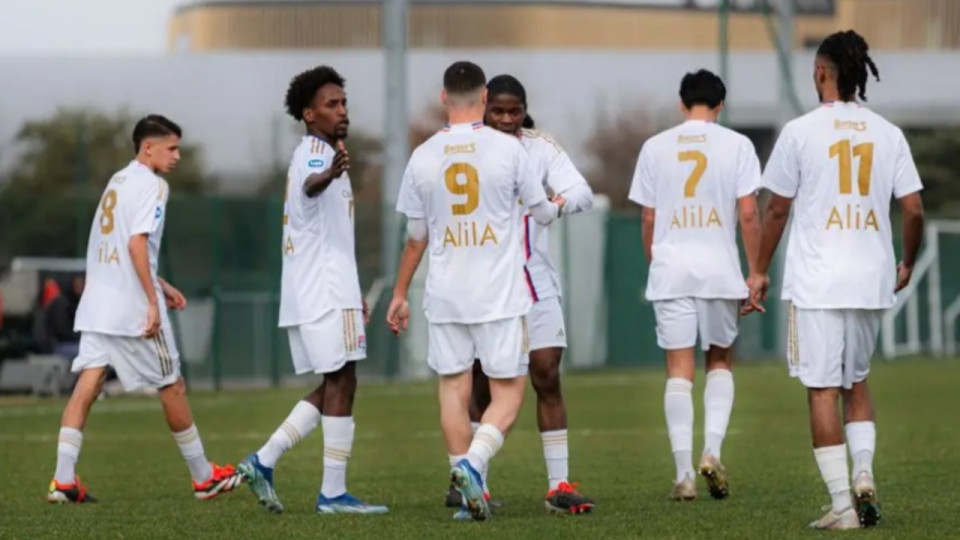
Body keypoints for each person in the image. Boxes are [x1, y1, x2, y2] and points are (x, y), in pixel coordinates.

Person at [748, 30, 925, 530]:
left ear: (821, 72)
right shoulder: (888, 133)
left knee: (822, 388)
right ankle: (864, 472)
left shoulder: (800, 131)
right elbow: (912, 208)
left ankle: (843, 506)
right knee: (858, 382)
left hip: (818, 280)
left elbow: (777, 208)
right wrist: (907, 260)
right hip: (871, 277)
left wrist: (759, 270)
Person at [387, 61, 565, 521]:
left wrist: (399, 293)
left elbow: (415, 237)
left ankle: (466, 490)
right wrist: (557, 204)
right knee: (508, 393)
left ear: (444, 98)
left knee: (453, 388)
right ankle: (472, 465)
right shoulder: (509, 152)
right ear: (485, 98)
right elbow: (542, 213)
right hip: (499, 294)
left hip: (445, 294)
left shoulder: (423, 155)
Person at [47, 115, 243, 503]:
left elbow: (120, 245)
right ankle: (204, 477)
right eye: (171, 148)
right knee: (171, 384)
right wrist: (152, 301)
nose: (177, 156)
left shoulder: (117, 181)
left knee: (88, 384)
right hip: (130, 307)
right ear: (148, 147)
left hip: (99, 303)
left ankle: (63, 480)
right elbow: (136, 244)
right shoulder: (154, 186)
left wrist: (161, 284)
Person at [237, 65, 387, 515]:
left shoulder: (314, 150)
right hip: (323, 288)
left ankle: (264, 461)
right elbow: (311, 185)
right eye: (331, 105)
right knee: (344, 380)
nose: (342, 112)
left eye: (344, 103)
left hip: (319, 287)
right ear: (308, 113)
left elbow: (328, 228)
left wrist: (354, 289)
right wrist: (334, 172)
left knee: (336, 380)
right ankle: (333, 494)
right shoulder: (318, 155)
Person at [451, 74, 595, 515]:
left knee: (547, 372)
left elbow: (582, 192)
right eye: (499, 110)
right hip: (484, 285)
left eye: (515, 110)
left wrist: (555, 206)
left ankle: (558, 486)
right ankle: (473, 485)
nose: (508, 119)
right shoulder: (464, 148)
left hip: (536, 282)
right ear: (483, 108)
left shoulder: (539, 146)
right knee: (480, 380)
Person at [628, 69, 762, 502]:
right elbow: (748, 214)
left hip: (671, 270)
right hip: (720, 270)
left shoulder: (654, 147)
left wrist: (656, 262)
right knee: (720, 358)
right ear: (720, 106)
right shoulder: (738, 145)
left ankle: (684, 473)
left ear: (681, 104)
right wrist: (755, 270)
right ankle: (712, 451)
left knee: (678, 369)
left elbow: (647, 217)